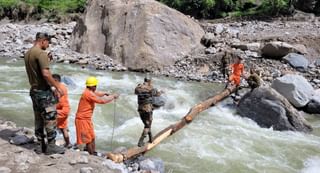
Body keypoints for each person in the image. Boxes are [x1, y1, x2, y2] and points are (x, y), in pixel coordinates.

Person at [24, 32, 65, 154]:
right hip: (43, 92)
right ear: (43, 41)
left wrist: (47, 60)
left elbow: (35, 70)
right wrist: (58, 87)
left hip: (34, 91)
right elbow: (46, 74)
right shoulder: (41, 53)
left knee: (38, 118)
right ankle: (51, 146)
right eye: (48, 42)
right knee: (50, 117)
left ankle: (39, 145)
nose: (48, 45)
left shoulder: (28, 53)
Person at [75, 76, 119, 155]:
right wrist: (113, 96)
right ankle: (91, 155)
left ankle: (93, 152)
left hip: (86, 119)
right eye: (95, 85)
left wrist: (105, 93)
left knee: (92, 137)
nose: (96, 87)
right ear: (92, 86)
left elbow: (97, 94)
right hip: (82, 120)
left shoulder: (89, 91)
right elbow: (102, 101)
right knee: (88, 139)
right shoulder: (88, 94)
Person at [135, 76, 163, 147]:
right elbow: (157, 94)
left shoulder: (138, 87)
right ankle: (140, 141)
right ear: (149, 81)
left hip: (140, 109)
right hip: (148, 109)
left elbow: (136, 92)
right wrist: (161, 92)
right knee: (147, 125)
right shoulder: (151, 88)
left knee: (147, 124)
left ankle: (151, 138)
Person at [52, 74, 71, 148]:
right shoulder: (63, 86)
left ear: (56, 81)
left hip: (61, 110)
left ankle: (51, 143)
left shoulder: (59, 88)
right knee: (63, 128)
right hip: (65, 109)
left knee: (51, 125)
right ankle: (68, 143)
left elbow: (57, 98)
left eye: (52, 80)